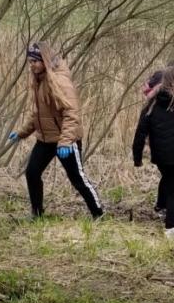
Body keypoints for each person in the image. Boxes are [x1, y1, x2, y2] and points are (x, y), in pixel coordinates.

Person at [7, 42, 104, 220]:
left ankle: (98, 214)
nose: (32, 65)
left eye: (35, 61)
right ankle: (37, 214)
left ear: (45, 60)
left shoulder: (59, 81)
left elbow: (71, 114)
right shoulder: (38, 80)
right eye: (30, 62)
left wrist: (65, 141)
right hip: (45, 140)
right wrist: (21, 133)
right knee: (32, 173)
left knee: (77, 178)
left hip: (65, 140)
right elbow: (38, 115)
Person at [132, 65, 174, 239]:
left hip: (160, 155)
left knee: (168, 179)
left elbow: (140, 131)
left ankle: (163, 208)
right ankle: (171, 227)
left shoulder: (152, 103)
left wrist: (137, 157)